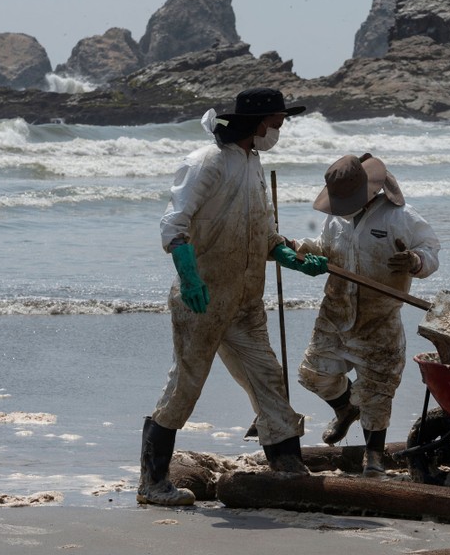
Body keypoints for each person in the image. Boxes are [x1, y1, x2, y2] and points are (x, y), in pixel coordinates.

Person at [137, 88, 329, 506]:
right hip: (202, 300)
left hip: (245, 302)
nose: (278, 131)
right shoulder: (205, 163)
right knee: (185, 386)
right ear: (256, 124)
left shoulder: (254, 163)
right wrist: (190, 278)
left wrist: (293, 259)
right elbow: (174, 226)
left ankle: (288, 467)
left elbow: (264, 234)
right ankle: (152, 483)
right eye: (275, 123)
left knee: (268, 380)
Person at [295, 153, 440, 477]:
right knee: (313, 374)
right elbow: (325, 246)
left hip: (379, 315)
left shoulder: (399, 217)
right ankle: (346, 408)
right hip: (335, 310)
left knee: (378, 388)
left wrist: (415, 260)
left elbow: (431, 251)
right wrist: (304, 250)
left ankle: (373, 456)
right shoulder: (337, 218)